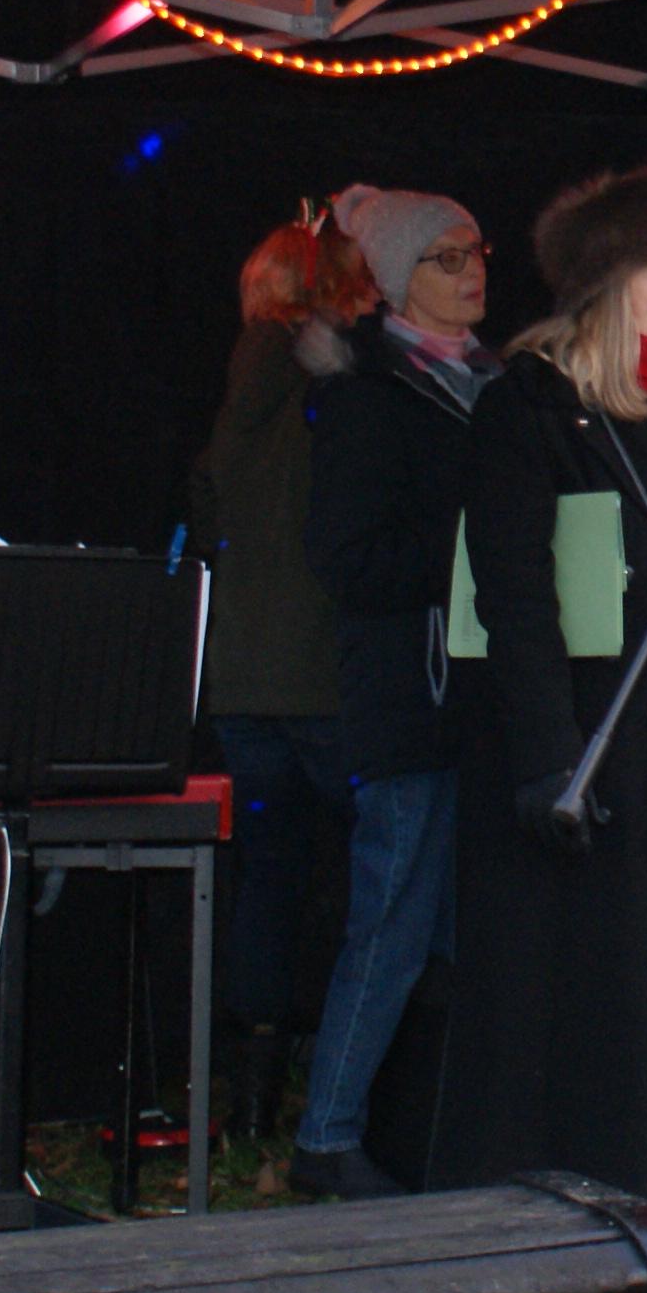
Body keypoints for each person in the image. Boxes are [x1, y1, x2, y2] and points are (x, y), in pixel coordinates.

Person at [436, 165, 647, 1205]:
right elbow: (515, 591)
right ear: (603, 282)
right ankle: (534, 1181)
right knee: (558, 973)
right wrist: (546, 754)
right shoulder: (528, 403)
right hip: (570, 740)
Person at [294, 186, 494, 1200]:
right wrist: (473, 550)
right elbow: (347, 559)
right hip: (407, 700)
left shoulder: (495, 384)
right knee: (392, 919)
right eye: (446, 255)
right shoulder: (370, 396)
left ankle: (432, 1127)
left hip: (482, 697)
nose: (472, 270)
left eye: (475, 250)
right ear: (393, 278)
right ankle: (327, 1132)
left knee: (459, 927)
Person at [192, 215, 380, 1139]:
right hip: (326, 684)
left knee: (265, 889)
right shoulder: (338, 385)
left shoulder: (237, 385)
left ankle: (253, 1101)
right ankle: (352, 1096)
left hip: (242, 687)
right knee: (369, 885)